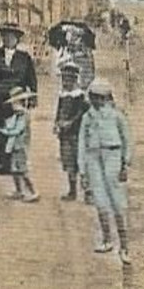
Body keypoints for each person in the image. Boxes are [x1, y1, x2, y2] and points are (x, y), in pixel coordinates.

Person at [78, 78, 133, 262]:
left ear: (108, 98)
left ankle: (124, 246)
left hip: (113, 155)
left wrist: (125, 163)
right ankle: (107, 239)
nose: (98, 102)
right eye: (94, 98)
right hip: (94, 157)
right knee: (100, 200)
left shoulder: (117, 116)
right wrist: (82, 170)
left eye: (102, 98)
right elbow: (81, 143)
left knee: (117, 200)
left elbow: (126, 139)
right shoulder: (87, 117)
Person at [0, 23, 38, 178]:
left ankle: (10, 164)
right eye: (5, 36)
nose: (8, 39)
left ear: (17, 39)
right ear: (1, 37)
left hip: (16, 99)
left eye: (12, 36)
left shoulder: (24, 58)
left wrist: (32, 98)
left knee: (13, 132)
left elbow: (32, 79)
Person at [0, 86, 38, 203]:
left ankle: (33, 192)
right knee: (14, 169)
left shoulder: (23, 117)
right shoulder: (16, 116)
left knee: (22, 170)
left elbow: (15, 131)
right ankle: (19, 191)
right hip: (14, 146)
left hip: (20, 146)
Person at [53, 63, 90, 201]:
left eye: (68, 80)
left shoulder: (80, 96)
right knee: (69, 162)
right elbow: (59, 110)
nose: (65, 83)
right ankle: (72, 190)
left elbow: (80, 114)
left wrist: (70, 123)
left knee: (80, 162)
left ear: (75, 80)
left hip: (76, 134)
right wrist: (57, 123)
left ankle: (87, 192)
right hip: (65, 134)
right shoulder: (63, 95)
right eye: (63, 80)